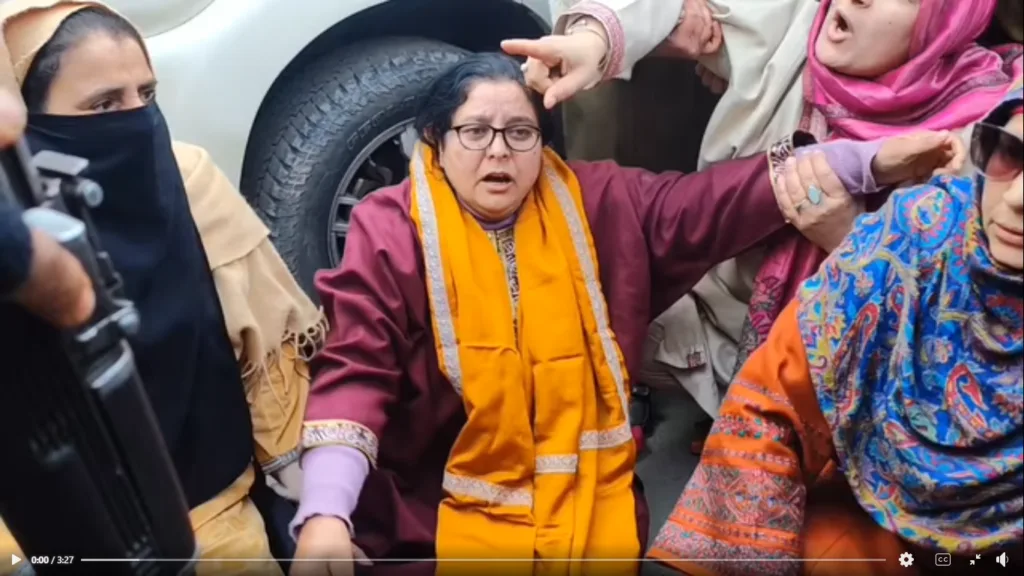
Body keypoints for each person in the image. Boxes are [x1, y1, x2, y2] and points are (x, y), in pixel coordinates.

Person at [288, 52, 965, 576]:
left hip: (586, 502)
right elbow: (358, 369)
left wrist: (873, 161)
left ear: (544, 143)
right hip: (435, 501)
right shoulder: (394, 227)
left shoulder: (596, 202)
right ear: (436, 141)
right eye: (475, 132)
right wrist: (324, 514)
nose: (498, 151)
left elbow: (722, 198)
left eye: (520, 132)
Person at [505, 0, 1024, 454]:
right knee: (558, 291)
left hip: (847, 374)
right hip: (715, 317)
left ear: (943, 26)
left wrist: (846, 236)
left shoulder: (982, 140)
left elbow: (955, 332)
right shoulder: (797, 28)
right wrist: (594, 41)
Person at [0, 1, 325, 574]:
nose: (137, 120)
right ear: (27, 120)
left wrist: (312, 493)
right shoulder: (13, 239)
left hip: (213, 518)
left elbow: (267, 351)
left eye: (146, 95)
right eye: (104, 105)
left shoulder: (187, 176)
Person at [649, 89, 1024, 576]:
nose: (1015, 199)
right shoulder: (911, 241)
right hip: (865, 533)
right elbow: (769, 407)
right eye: (1011, 154)